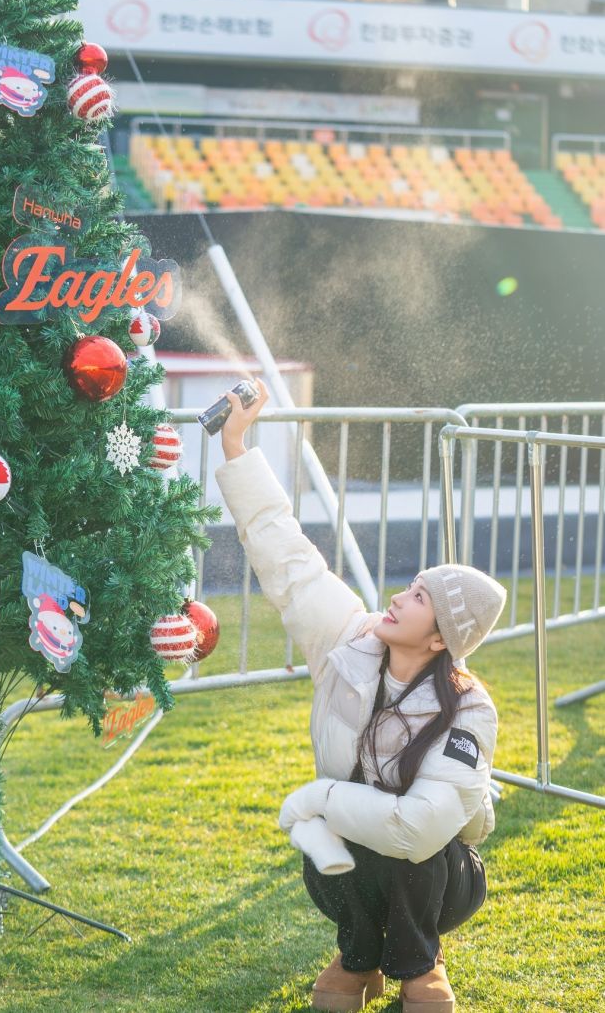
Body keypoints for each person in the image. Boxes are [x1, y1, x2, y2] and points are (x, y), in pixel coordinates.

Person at [214, 379, 506, 1013]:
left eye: (420, 598)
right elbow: (289, 559)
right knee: (350, 847)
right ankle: (359, 956)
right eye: (412, 586)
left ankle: (417, 968)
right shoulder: (349, 640)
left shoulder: (470, 706)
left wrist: (319, 798)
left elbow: (422, 829)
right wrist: (237, 444)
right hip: (351, 870)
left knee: (408, 850)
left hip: (440, 876)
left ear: (439, 640)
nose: (399, 597)